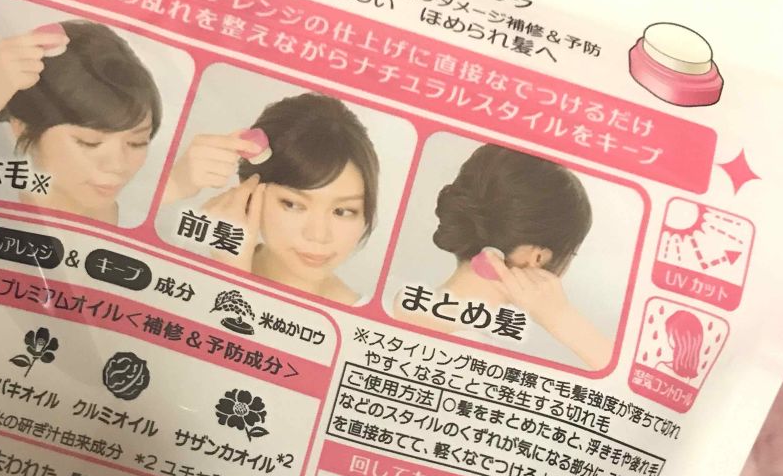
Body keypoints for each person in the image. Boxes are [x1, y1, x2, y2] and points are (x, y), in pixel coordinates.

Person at [397, 142, 612, 370]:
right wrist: (562, 318)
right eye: (572, 253)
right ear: (537, 258)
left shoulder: (395, 299)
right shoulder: (478, 361)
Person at [164, 92, 379, 305]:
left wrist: (233, 277)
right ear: (248, 187)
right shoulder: (185, 258)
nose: (318, 235)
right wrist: (174, 184)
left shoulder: (365, 319)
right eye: (293, 205)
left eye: (342, 211)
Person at [0, 20, 162, 224]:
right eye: (90, 142)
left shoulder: (150, 214)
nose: (117, 165)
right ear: (21, 126)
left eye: (137, 142)